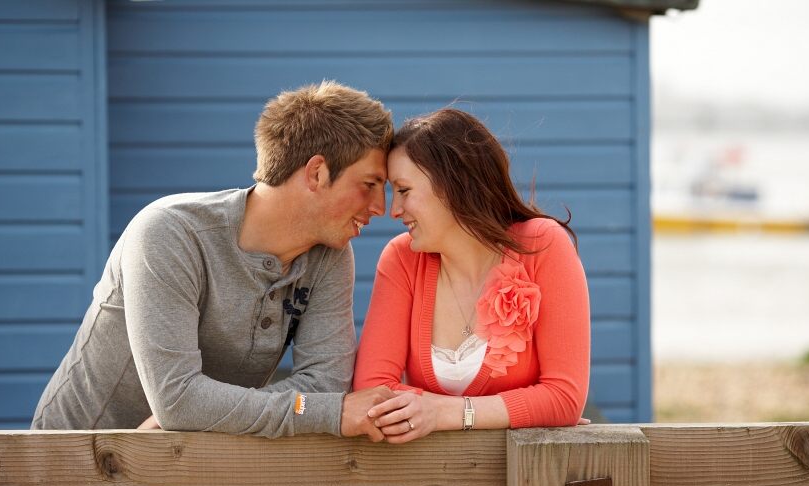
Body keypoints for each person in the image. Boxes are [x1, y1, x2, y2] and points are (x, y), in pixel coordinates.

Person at [32, 81, 394, 441]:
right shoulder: (169, 232)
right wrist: (315, 412)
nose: (380, 207)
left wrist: (204, 414)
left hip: (193, 465)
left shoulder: (329, 256)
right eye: (370, 184)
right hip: (70, 464)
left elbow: (324, 385)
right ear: (316, 173)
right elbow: (179, 401)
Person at [353, 108, 591, 444]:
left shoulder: (542, 246)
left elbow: (563, 398)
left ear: (452, 185)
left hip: (527, 478)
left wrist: (442, 412)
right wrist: (520, 408)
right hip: (430, 481)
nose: (394, 210)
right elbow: (372, 390)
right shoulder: (401, 259)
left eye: (403, 191)